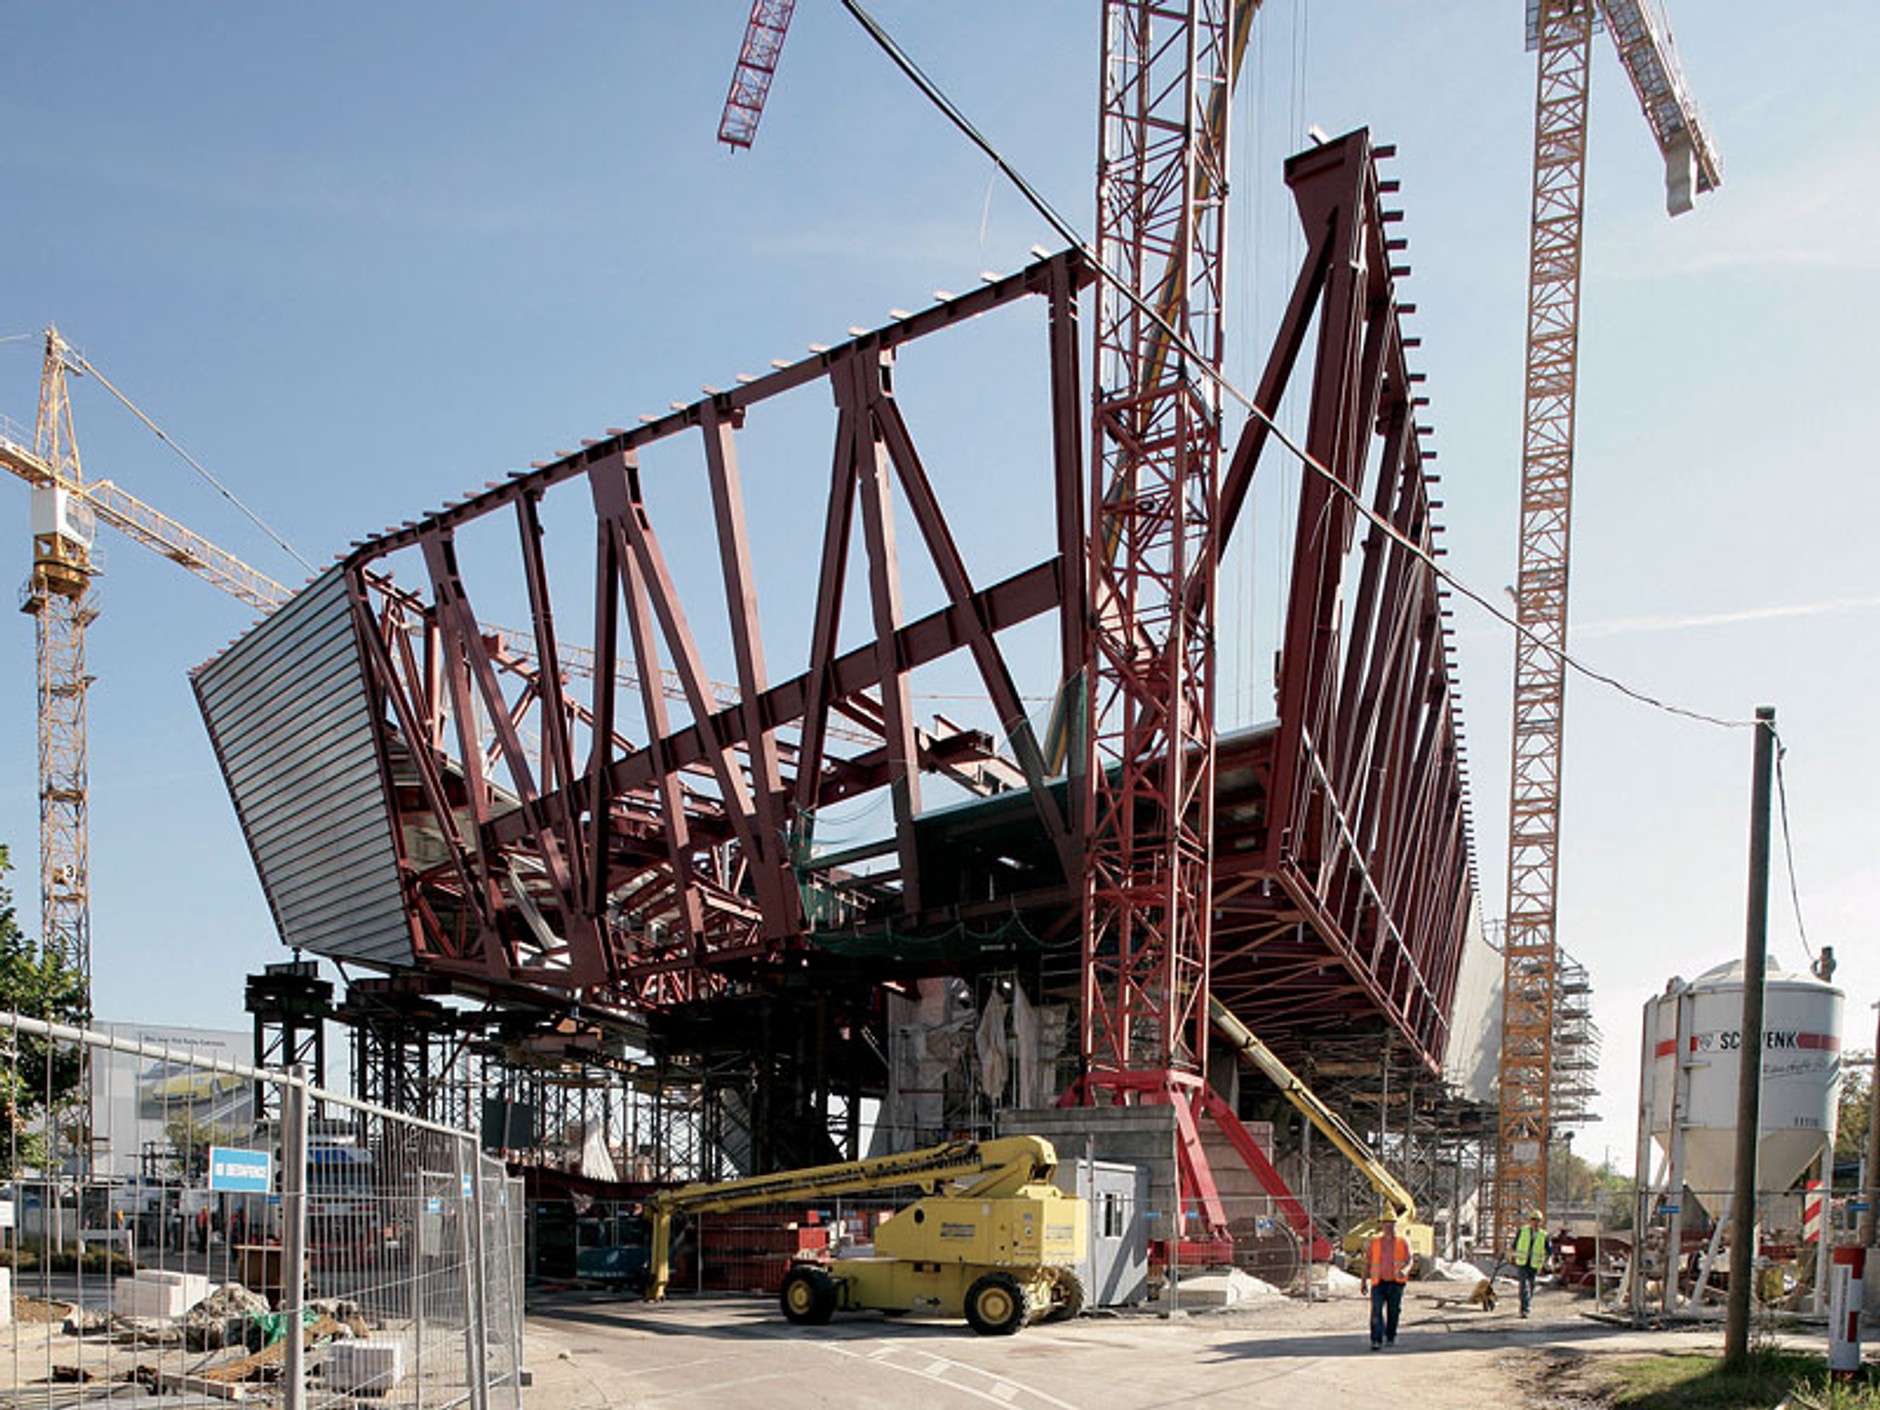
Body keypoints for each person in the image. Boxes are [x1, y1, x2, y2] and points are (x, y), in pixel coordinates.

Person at [1361, 1214, 1413, 1350]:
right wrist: (1363, 1281)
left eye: (1392, 1225)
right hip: (1379, 1283)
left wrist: (1405, 1270)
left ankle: (1390, 1336)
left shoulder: (1403, 1242)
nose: (1389, 1228)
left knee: (1393, 1311)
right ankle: (1376, 1340)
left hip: (1396, 1283)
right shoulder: (1375, 1243)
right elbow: (1367, 1263)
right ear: (1382, 1227)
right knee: (1376, 1311)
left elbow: (1410, 1260)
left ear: (1396, 1226)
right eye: (1386, 1225)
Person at [1511, 1208, 1550, 1318]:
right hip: (1522, 1263)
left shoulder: (1544, 1235)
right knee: (1524, 1286)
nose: (1535, 1222)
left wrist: (1547, 1263)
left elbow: (1549, 1251)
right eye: (1533, 1220)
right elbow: (1514, 1245)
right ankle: (1525, 1309)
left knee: (1531, 1286)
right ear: (1529, 1221)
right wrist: (1512, 1256)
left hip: (1534, 1264)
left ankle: (1527, 1302)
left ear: (1540, 1222)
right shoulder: (1522, 1231)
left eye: (1537, 1220)